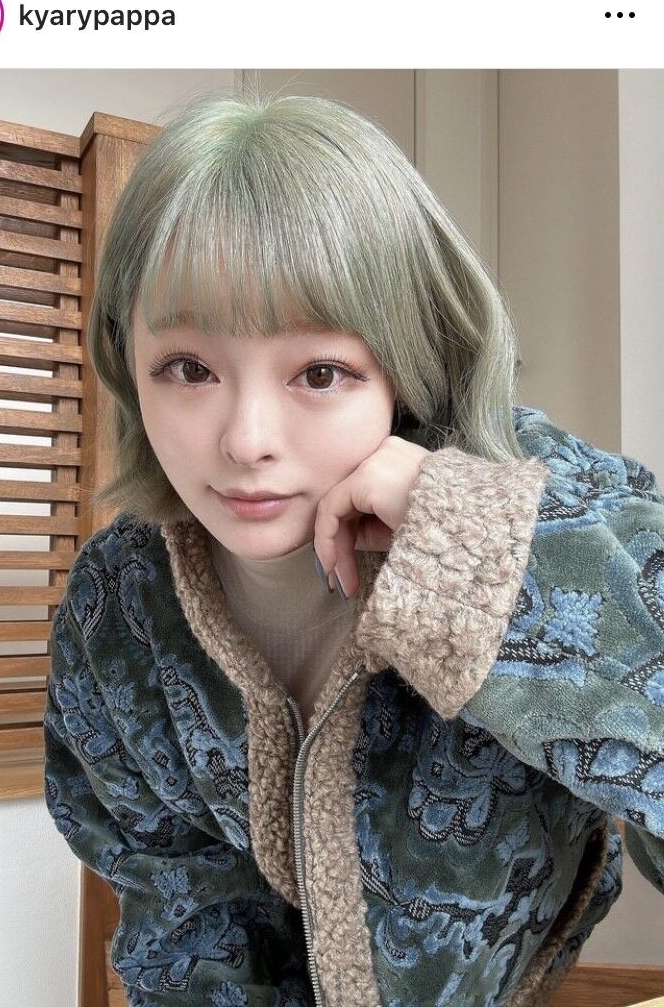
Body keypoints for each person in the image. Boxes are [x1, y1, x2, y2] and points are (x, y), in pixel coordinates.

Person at [43, 89, 664, 1006]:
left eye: (321, 372)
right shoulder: (117, 612)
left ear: (408, 361)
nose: (247, 440)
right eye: (189, 368)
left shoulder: (544, 495)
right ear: (127, 363)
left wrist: (470, 543)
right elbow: (188, 928)